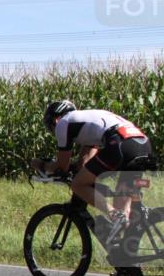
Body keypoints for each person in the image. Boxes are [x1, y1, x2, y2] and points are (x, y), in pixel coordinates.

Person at [31, 100, 154, 241]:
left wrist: (40, 164)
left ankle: (113, 213)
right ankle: (128, 259)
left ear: (55, 119)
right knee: (123, 215)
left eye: (50, 127)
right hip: (142, 143)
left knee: (77, 185)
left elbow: (61, 166)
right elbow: (84, 164)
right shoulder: (88, 123)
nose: (52, 131)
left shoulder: (63, 123)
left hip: (120, 144)